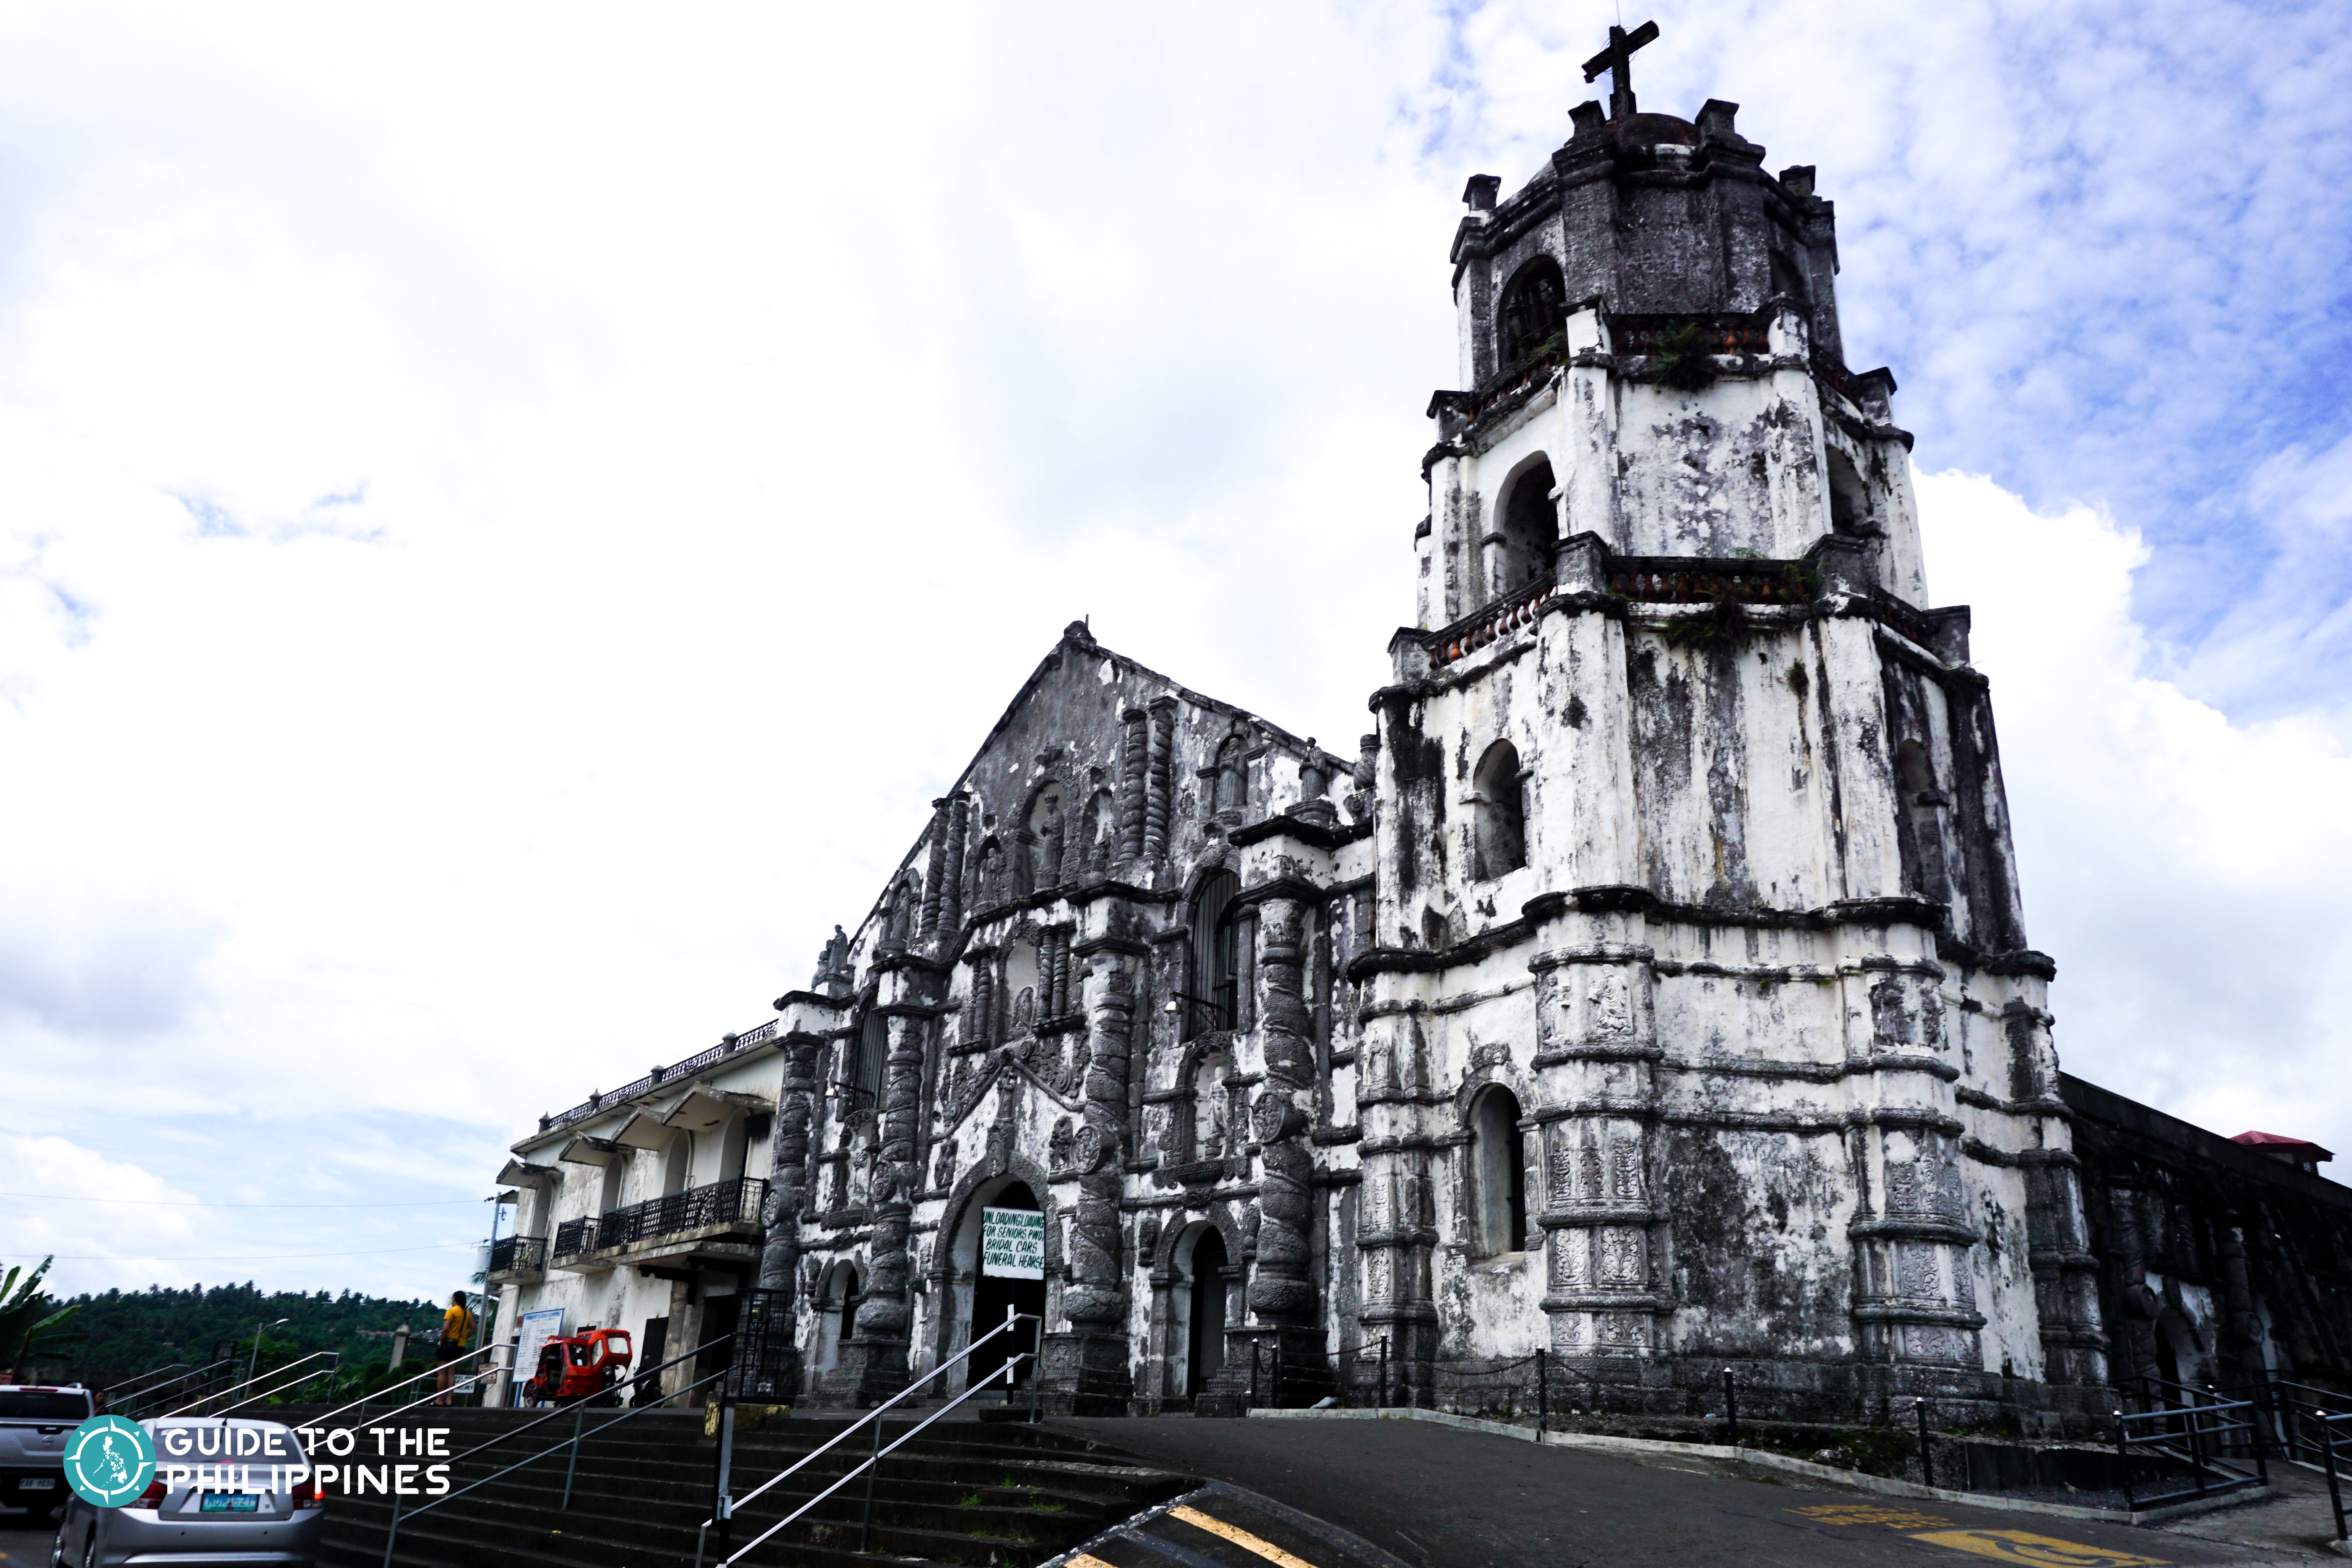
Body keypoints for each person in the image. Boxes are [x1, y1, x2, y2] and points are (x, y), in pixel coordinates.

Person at [433, 1291, 475, 1406]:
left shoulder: (451, 1311)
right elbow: (473, 1327)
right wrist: (464, 1338)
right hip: (460, 1346)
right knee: (452, 1373)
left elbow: (445, 1329)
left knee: (442, 1372)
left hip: (448, 1344)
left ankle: (440, 1399)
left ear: (454, 1299)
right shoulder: (467, 1313)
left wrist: (441, 1341)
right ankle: (449, 1399)